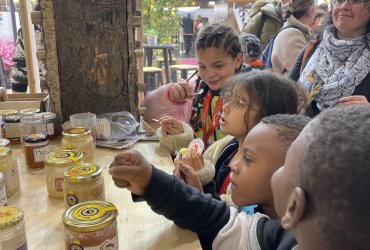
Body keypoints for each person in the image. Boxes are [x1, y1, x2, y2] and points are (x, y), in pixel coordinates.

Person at [109, 105, 370, 250]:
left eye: (286, 165)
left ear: (294, 206)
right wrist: (151, 182)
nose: (233, 164)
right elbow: (218, 220)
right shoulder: (283, 235)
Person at [174, 71, 304, 199]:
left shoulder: (258, 173)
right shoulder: (227, 146)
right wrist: (179, 137)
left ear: (267, 116)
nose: (225, 107)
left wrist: (198, 193)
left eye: (239, 103)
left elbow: (232, 216)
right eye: (229, 98)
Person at [141, 23, 251, 153]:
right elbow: (146, 111)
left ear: (238, 60)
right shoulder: (195, 91)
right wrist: (170, 95)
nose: (209, 74)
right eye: (203, 67)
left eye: (218, 66)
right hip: (197, 165)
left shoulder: (249, 98)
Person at [177, 114, 310, 219]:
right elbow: (222, 222)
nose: (234, 166)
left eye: (248, 159)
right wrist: (200, 191)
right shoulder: (250, 206)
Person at [289, 0, 370, 117]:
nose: (344, 6)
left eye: (355, 1)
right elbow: (286, 94)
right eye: (339, 1)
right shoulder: (314, 45)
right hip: (300, 132)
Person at [270, 0, 315, 73]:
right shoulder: (292, 34)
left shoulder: (295, 31)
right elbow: (300, 70)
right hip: (288, 84)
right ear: (310, 11)